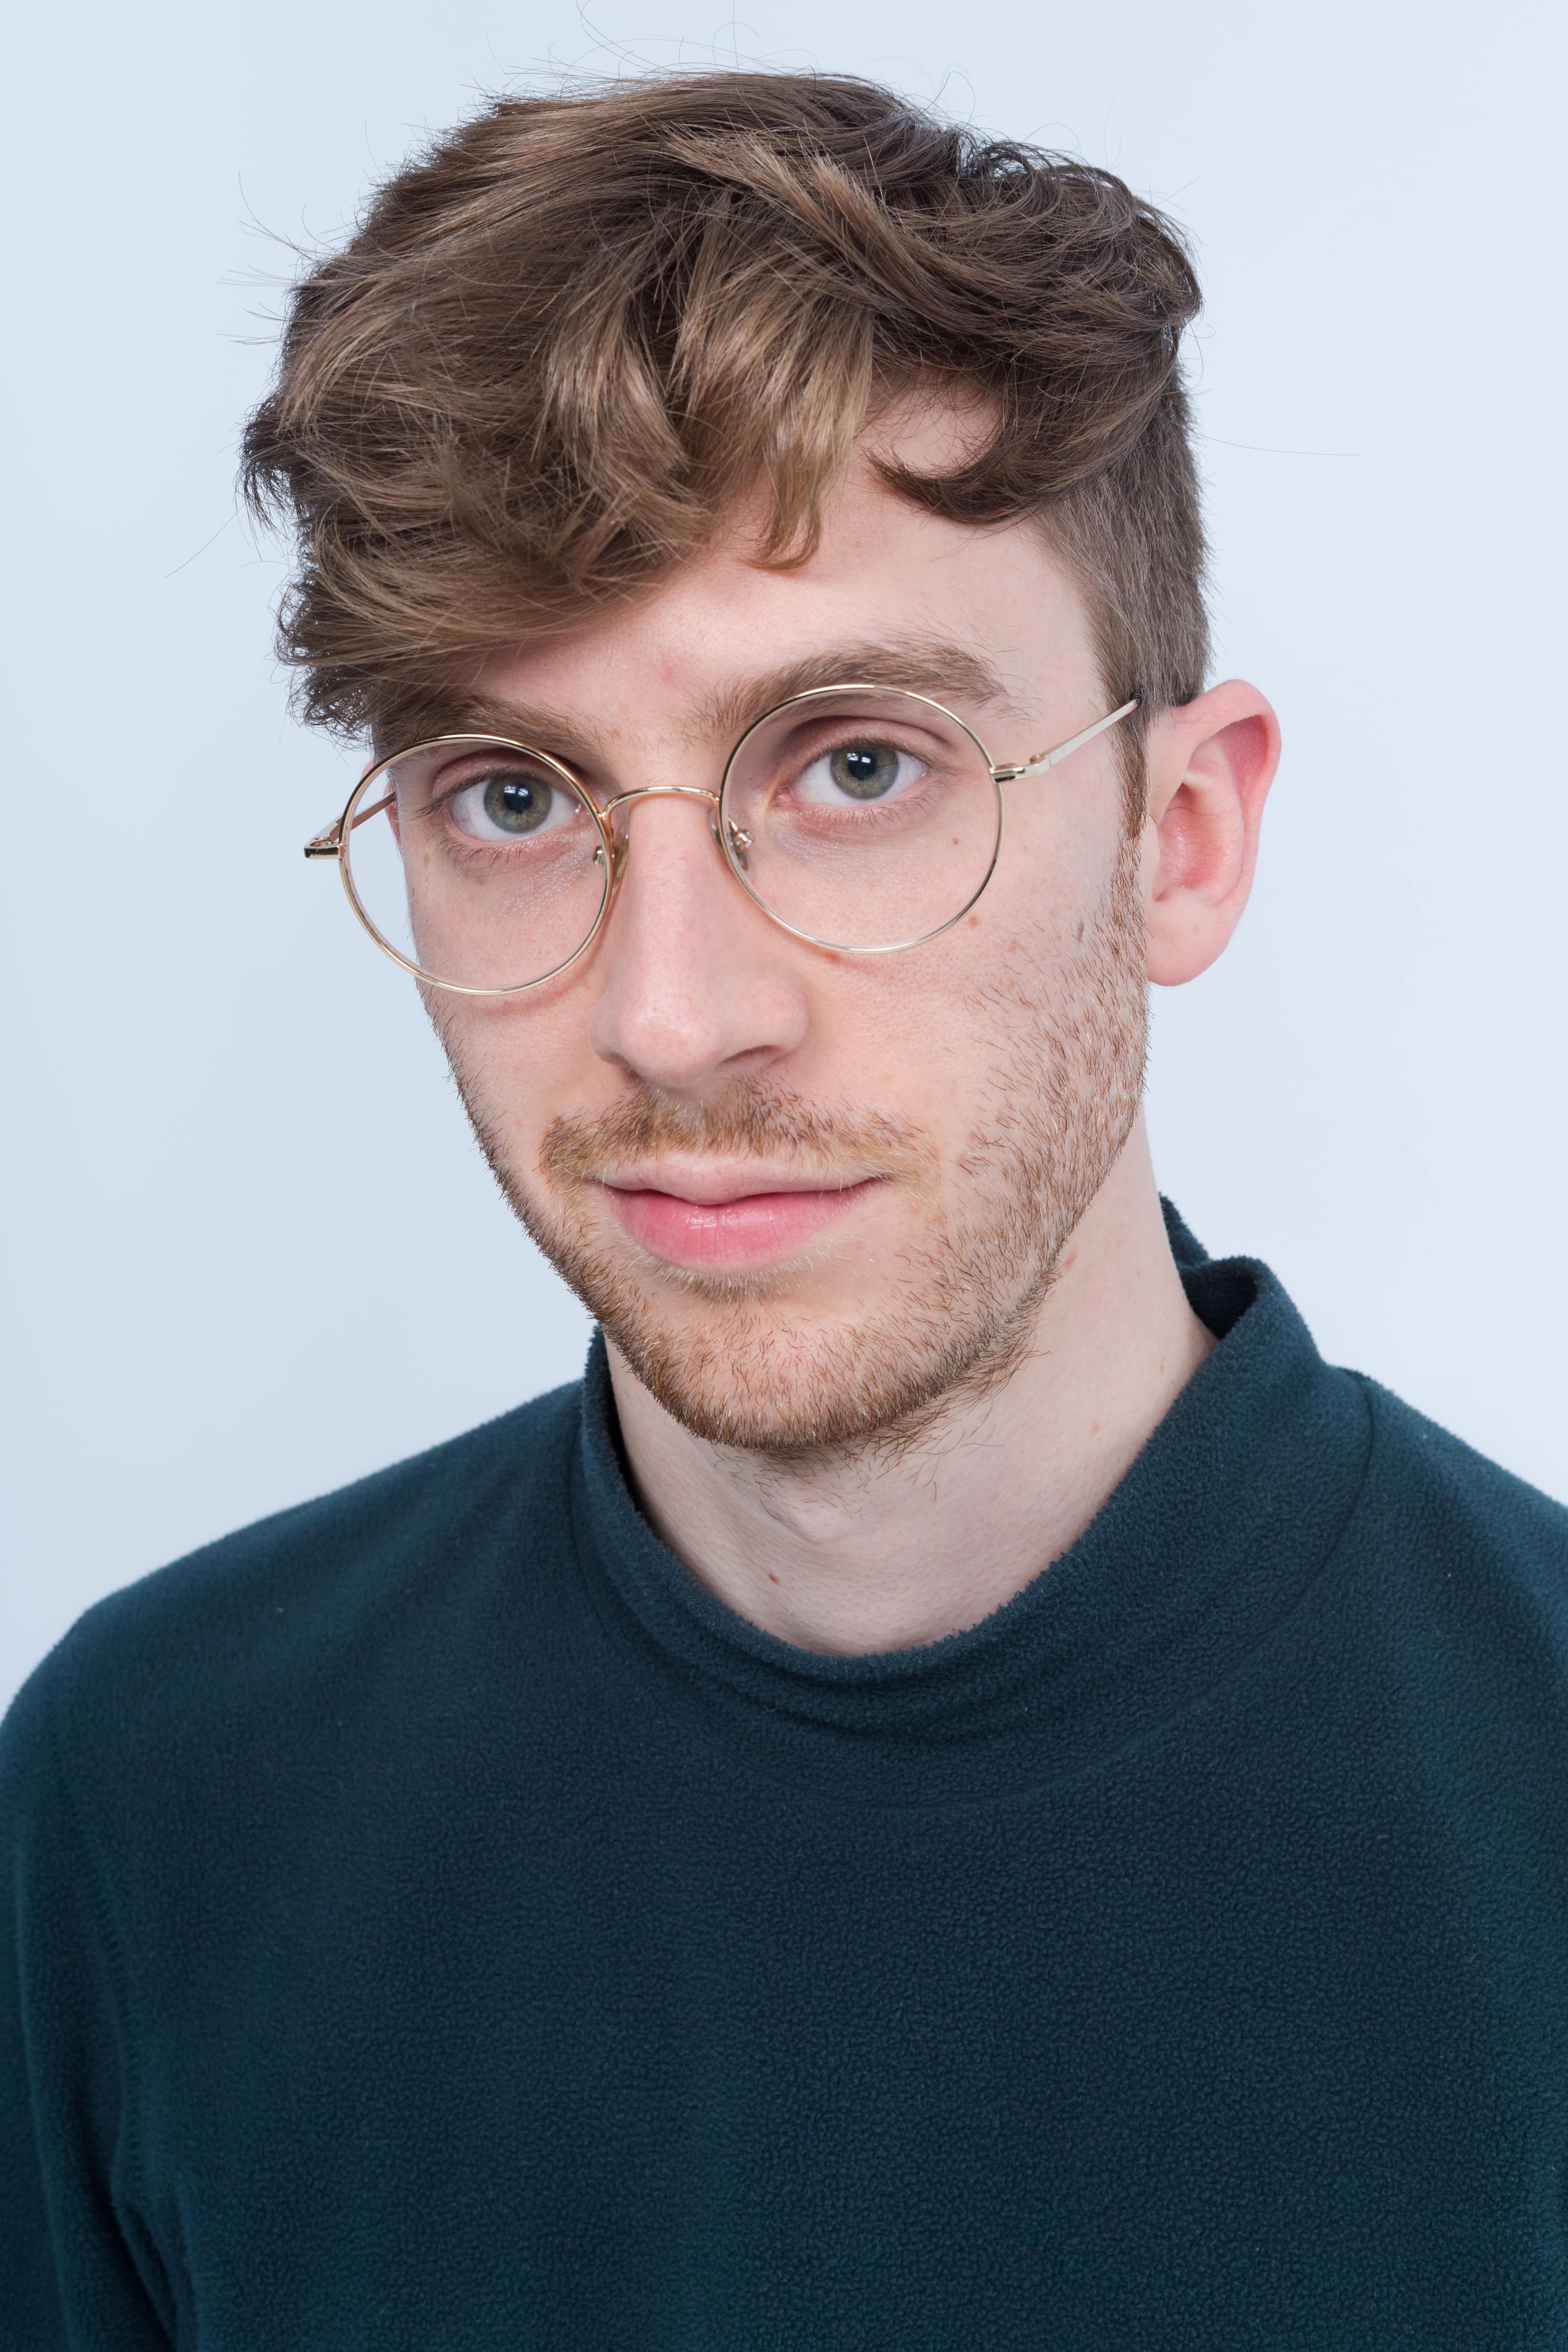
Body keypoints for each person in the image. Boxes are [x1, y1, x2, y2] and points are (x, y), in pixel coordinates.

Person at [3, 68, 1566, 2351]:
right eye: (510, 793)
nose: (669, 1016)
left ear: (1184, 833)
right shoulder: (145, 1810)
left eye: (856, 766)